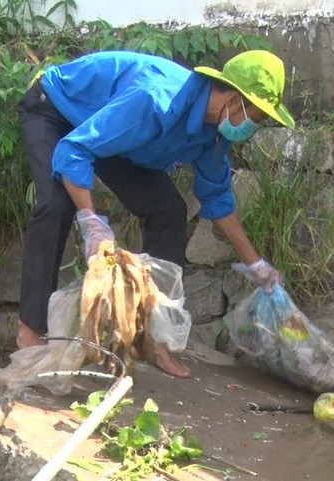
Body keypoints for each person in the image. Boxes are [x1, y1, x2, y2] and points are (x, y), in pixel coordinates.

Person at [16, 49, 295, 378]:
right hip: (57, 109)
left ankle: (152, 337)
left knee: (168, 211)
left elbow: (218, 198)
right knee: (57, 204)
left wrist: (256, 264)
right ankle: (29, 333)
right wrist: (91, 222)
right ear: (234, 101)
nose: (253, 128)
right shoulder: (155, 101)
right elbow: (75, 148)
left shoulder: (212, 134)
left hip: (109, 132)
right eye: (258, 118)